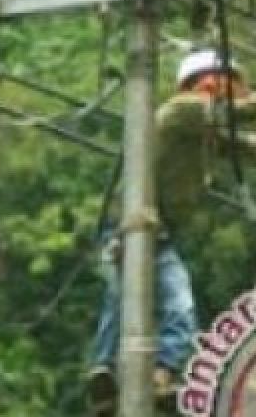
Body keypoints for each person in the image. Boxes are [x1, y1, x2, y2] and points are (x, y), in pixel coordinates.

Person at [86, 49, 256, 415]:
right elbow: (239, 114)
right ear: (207, 81)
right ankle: (105, 374)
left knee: (179, 304)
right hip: (128, 225)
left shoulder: (200, 132)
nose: (237, 92)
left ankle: (162, 373)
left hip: (159, 234)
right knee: (123, 299)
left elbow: (244, 145)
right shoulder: (184, 109)